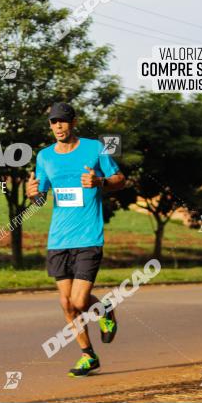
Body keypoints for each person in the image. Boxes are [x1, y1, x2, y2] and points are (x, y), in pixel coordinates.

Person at [25, 102, 126, 377]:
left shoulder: (95, 148)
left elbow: (121, 178)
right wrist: (31, 192)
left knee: (81, 300)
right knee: (65, 303)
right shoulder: (45, 156)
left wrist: (101, 182)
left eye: (63, 121)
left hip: (88, 235)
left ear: (74, 122)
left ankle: (104, 310)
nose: (58, 126)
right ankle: (88, 355)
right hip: (58, 239)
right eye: (53, 122)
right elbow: (41, 196)